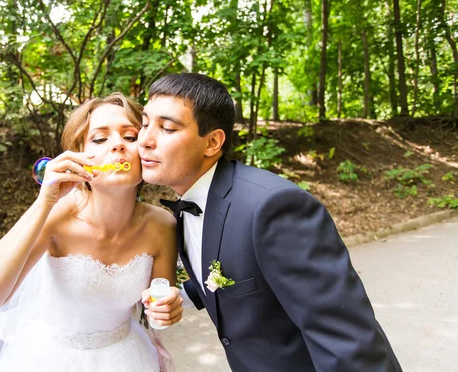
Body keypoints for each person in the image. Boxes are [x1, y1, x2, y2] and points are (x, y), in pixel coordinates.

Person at [139, 73, 403, 372]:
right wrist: (184, 295)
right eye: (145, 123)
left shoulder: (274, 207)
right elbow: (244, 271)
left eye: (168, 128)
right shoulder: (188, 206)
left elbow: (349, 342)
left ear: (212, 142)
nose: (145, 140)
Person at [0, 93, 182, 372]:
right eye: (100, 139)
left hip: (128, 359)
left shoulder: (162, 225)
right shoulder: (55, 218)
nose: (117, 146)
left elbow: (158, 307)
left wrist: (167, 308)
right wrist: (46, 201)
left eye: (130, 136)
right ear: (79, 155)